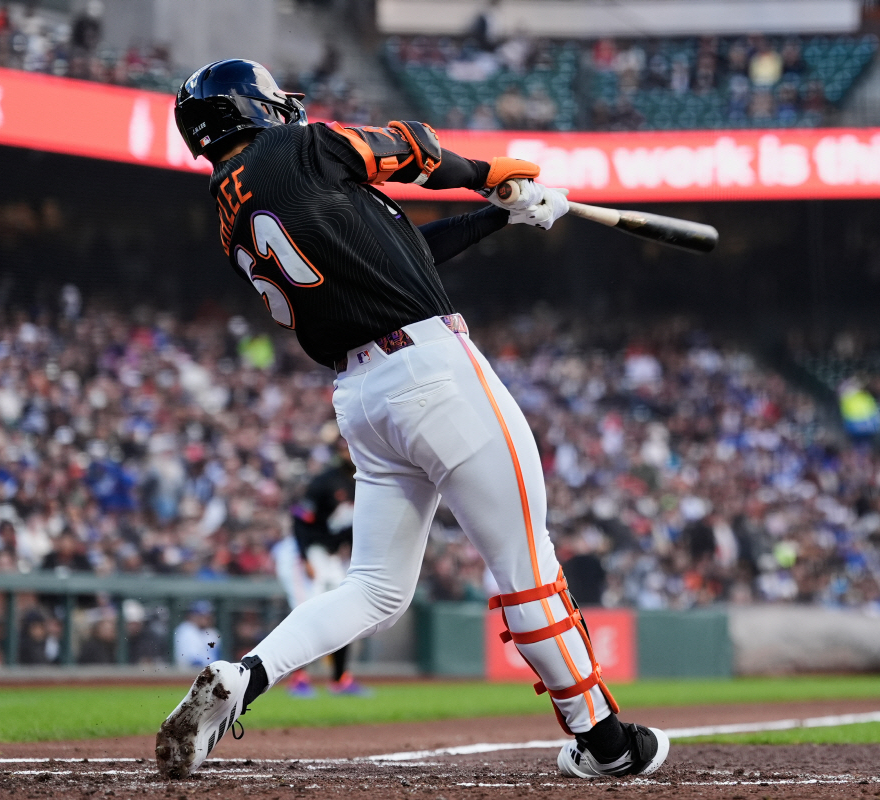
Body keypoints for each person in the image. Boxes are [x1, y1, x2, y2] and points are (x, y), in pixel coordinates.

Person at [157, 59, 666, 781]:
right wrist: (491, 173)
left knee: (375, 589)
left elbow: (403, 254)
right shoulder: (300, 148)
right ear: (254, 108)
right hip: (432, 369)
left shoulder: (230, 207)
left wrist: (501, 215)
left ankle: (244, 678)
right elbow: (410, 144)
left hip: (362, 398)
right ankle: (604, 742)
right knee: (526, 567)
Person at [272, 423, 369, 697]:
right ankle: (298, 677)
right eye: (344, 445)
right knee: (305, 611)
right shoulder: (325, 481)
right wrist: (305, 559)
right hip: (301, 551)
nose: (348, 451)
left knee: (344, 611)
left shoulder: (364, 481)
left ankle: (340, 678)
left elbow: (351, 527)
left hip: (328, 555)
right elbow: (300, 520)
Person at [173, 601, 220, 668]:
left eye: (207, 615)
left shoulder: (212, 632)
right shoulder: (185, 630)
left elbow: (217, 656)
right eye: (200, 615)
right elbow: (191, 660)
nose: (204, 618)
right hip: (187, 672)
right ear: (191, 615)